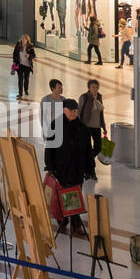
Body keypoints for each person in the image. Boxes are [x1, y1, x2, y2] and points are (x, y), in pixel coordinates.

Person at [51, 99, 94, 236]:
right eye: (71, 110)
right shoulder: (56, 125)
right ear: (64, 110)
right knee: (61, 196)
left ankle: (76, 225)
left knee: (75, 196)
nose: (73, 113)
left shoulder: (82, 127)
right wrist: (50, 167)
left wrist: (90, 168)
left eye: (75, 110)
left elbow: (88, 150)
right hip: (61, 168)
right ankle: (62, 222)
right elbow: (50, 148)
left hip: (77, 169)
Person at [77, 80, 106, 169]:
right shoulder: (84, 97)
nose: (95, 89)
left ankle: (88, 159)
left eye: (97, 87)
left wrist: (104, 126)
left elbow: (101, 113)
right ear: (89, 88)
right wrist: (78, 125)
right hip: (86, 126)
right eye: (93, 87)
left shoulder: (99, 97)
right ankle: (88, 164)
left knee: (98, 147)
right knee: (86, 146)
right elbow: (79, 111)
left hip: (96, 126)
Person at [41, 79, 64, 172]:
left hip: (60, 128)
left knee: (59, 148)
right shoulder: (46, 100)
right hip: (49, 128)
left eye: (61, 87)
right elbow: (42, 116)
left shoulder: (63, 100)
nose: (61, 89)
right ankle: (49, 166)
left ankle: (57, 165)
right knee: (49, 149)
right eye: (59, 87)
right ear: (53, 88)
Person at [12, 34, 35, 99]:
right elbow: (14, 54)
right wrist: (14, 62)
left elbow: (34, 55)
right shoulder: (18, 45)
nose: (23, 40)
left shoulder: (30, 46)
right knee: (20, 79)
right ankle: (20, 93)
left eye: (25, 39)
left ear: (27, 40)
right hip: (20, 65)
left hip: (27, 65)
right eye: (22, 39)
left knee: (26, 79)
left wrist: (29, 56)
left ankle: (26, 90)